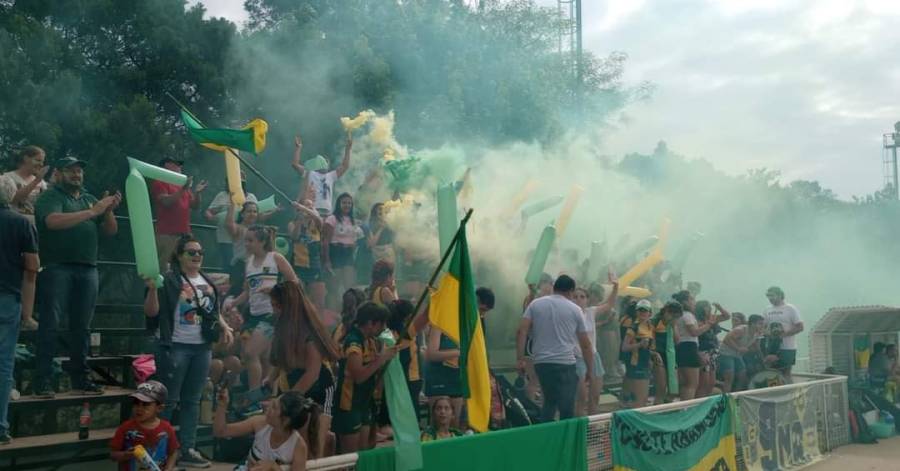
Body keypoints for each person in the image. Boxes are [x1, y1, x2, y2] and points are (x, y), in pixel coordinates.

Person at [143, 234, 234, 468]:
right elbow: (152, 313)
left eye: (200, 252)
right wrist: (152, 290)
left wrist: (224, 326)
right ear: (179, 255)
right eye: (191, 252)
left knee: (192, 400)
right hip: (175, 345)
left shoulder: (207, 280)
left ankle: (187, 449)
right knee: (169, 400)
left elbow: (212, 311)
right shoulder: (169, 279)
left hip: (202, 347)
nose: (197, 256)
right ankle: (158, 449)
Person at [33, 156, 121, 397]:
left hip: (88, 268)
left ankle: (80, 379)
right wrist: (92, 211)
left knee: (82, 327)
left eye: (79, 171)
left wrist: (107, 211)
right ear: (59, 173)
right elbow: (52, 221)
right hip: (57, 267)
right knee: (50, 325)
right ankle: (43, 380)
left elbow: (110, 231)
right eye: (70, 170)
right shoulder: (51, 196)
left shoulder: (89, 198)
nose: (76, 175)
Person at [267, 281, 341, 459]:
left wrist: (286, 400)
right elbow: (279, 359)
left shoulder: (310, 333)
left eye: (277, 306)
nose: (274, 310)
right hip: (293, 380)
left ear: (288, 306)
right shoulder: (282, 327)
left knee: (316, 445)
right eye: (273, 305)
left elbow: (312, 374)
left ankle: (325, 449)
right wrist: (270, 378)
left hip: (319, 386)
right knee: (294, 438)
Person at [225, 225, 299, 390]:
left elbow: (294, 281)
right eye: (246, 240)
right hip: (254, 314)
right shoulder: (249, 263)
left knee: (250, 352)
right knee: (265, 358)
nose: (246, 244)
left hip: (272, 313)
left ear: (262, 242)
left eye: (250, 240)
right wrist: (234, 303)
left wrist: (275, 289)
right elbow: (248, 291)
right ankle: (267, 394)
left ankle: (254, 394)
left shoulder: (275, 258)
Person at [516, 275, 593, 422]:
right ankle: (566, 435)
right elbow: (585, 344)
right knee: (567, 406)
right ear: (570, 291)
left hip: (542, 363)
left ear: (555, 287)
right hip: (565, 364)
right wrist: (590, 369)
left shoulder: (536, 304)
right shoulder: (575, 309)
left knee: (549, 402)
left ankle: (545, 433)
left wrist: (520, 359)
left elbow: (521, 331)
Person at [0, 176, 39, 445]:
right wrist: (27, 313)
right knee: (3, 364)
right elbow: (32, 268)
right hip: (7, 297)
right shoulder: (21, 223)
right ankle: (0, 426)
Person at [331, 302, 396, 453]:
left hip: (365, 401)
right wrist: (382, 358)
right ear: (370, 323)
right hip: (349, 404)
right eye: (381, 324)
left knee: (365, 452)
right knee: (351, 456)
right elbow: (359, 377)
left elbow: (374, 369)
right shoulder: (353, 342)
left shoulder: (371, 340)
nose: (383, 328)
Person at [214, 388, 319, 470]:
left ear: (286, 420)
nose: (268, 407)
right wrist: (222, 405)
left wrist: (274, 467)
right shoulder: (259, 423)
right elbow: (221, 431)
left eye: (274, 407)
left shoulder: (298, 446)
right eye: (272, 403)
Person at [150, 157, 208, 272]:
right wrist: (183, 189)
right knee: (165, 268)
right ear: (166, 165)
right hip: (167, 234)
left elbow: (195, 206)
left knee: (186, 267)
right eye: (176, 164)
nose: (180, 167)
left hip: (185, 235)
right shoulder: (159, 182)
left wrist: (197, 193)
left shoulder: (181, 184)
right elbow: (166, 202)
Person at [109, 381, 179, 471]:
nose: (139, 408)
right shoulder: (126, 428)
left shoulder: (166, 428)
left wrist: (168, 469)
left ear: (159, 408)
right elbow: (113, 455)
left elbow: (173, 452)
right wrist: (126, 454)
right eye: (136, 403)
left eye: (146, 404)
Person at [580, 274, 617, 414]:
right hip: (578, 357)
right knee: (580, 399)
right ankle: (579, 424)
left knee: (595, 396)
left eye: (582, 297)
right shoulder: (569, 313)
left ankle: (593, 423)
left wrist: (616, 286)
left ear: (587, 299)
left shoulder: (591, 312)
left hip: (594, 356)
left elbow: (609, 304)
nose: (579, 299)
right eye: (576, 297)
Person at [291, 133, 353, 216]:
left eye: (327, 162)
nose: (326, 164)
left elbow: (345, 166)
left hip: (326, 212)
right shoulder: (310, 173)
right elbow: (295, 164)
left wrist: (348, 149)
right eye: (324, 161)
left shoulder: (331, 176)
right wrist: (298, 148)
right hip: (311, 209)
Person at [205, 175, 258, 269]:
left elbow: (259, 215)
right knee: (228, 263)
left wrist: (273, 212)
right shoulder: (222, 195)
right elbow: (209, 211)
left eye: (241, 181)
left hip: (246, 235)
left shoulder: (251, 197)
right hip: (225, 237)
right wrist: (211, 217)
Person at [323, 193, 363, 307]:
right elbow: (325, 241)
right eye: (344, 202)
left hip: (348, 253)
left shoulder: (353, 220)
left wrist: (353, 247)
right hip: (335, 252)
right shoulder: (332, 219)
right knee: (334, 287)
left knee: (349, 286)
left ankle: (349, 310)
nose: (347, 205)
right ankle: (333, 311)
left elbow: (356, 238)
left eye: (349, 203)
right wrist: (326, 260)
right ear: (339, 204)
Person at [672, 290, 714, 400]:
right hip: (689, 347)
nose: (694, 302)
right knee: (692, 384)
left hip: (682, 347)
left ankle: (684, 406)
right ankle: (687, 407)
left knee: (685, 383)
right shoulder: (687, 315)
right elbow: (694, 332)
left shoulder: (679, 315)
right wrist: (708, 325)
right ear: (685, 302)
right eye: (692, 299)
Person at [289, 193, 326, 312]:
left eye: (311, 206)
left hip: (314, 266)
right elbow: (294, 237)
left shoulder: (317, 224)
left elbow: (318, 218)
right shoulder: (292, 224)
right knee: (298, 299)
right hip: (298, 265)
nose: (310, 208)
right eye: (307, 205)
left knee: (317, 302)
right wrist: (299, 220)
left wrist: (303, 208)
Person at [622, 300, 657, 409]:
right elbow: (624, 347)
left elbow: (648, 348)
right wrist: (639, 344)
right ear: (636, 312)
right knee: (639, 400)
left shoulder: (650, 327)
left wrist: (653, 355)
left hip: (645, 364)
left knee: (643, 398)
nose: (642, 312)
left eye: (645, 310)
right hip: (636, 364)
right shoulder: (634, 327)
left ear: (650, 313)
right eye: (640, 310)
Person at [762, 286, 803, 380]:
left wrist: (783, 335)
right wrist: (769, 334)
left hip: (788, 347)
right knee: (771, 372)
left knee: (785, 372)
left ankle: (789, 388)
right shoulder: (767, 310)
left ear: (780, 295)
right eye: (768, 296)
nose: (770, 298)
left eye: (772, 295)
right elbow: (762, 327)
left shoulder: (790, 308)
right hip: (772, 346)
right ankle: (775, 389)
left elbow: (800, 327)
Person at [719, 314, 765, 392]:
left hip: (737, 355)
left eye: (762, 324)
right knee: (729, 377)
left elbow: (756, 347)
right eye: (760, 324)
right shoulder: (741, 330)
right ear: (752, 324)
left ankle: (737, 395)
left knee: (742, 374)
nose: (762, 326)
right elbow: (726, 339)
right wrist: (738, 348)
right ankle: (725, 397)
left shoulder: (758, 333)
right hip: (726, 354)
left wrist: (762, 359)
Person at [3, 145, 48, 224]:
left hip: (32, 226)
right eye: (38, 160)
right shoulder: (7, 178)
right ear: (26, 158)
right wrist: (36, 181)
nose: (41, 164)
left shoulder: (42, 183)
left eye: (42, 162)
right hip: (11, 224)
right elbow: (12, 200)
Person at [225, 200, 260, 296]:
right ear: (242, 214)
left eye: (255, 211)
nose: (252, 214)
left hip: (255, 266)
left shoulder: (259, 231)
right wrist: (232, 205)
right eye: (249, 211)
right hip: (240, 266)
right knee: (237, 294)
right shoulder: (239, 228)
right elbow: (229, 224)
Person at [695, 301, 730, 397]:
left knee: (711, 382)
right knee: (704, 383)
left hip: (713, 352)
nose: (709, 309)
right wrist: (709, 324)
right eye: (706, 307)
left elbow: (727, 316)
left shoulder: (712, 318)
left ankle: (706, 399)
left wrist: (719, 307)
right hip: (703, 351)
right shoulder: (697, 321)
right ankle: (699, 400)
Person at [651, 301, 683, 404]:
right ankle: (658, 408)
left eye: (676, 316)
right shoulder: (655, 321)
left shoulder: (672, 324)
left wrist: (673, 326)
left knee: (674, 389)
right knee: (661, 387)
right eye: (671, 314)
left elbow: (677, 341)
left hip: (670, 356)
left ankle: (667, 405)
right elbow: (651, 340)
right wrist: (653, 353)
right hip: (658, 355)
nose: (672, 318)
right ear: (665, 311)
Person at [357, 203, 396, 284]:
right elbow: (371, 244)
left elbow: (396, 239)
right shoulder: (370, 224)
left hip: (388, 252)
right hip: (376, 253)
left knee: (390, 275)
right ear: (374, 211)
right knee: (377, 276)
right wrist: (381, 228)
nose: (381, 211)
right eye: (379, 209)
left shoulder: (391, 223)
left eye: (383, 209)